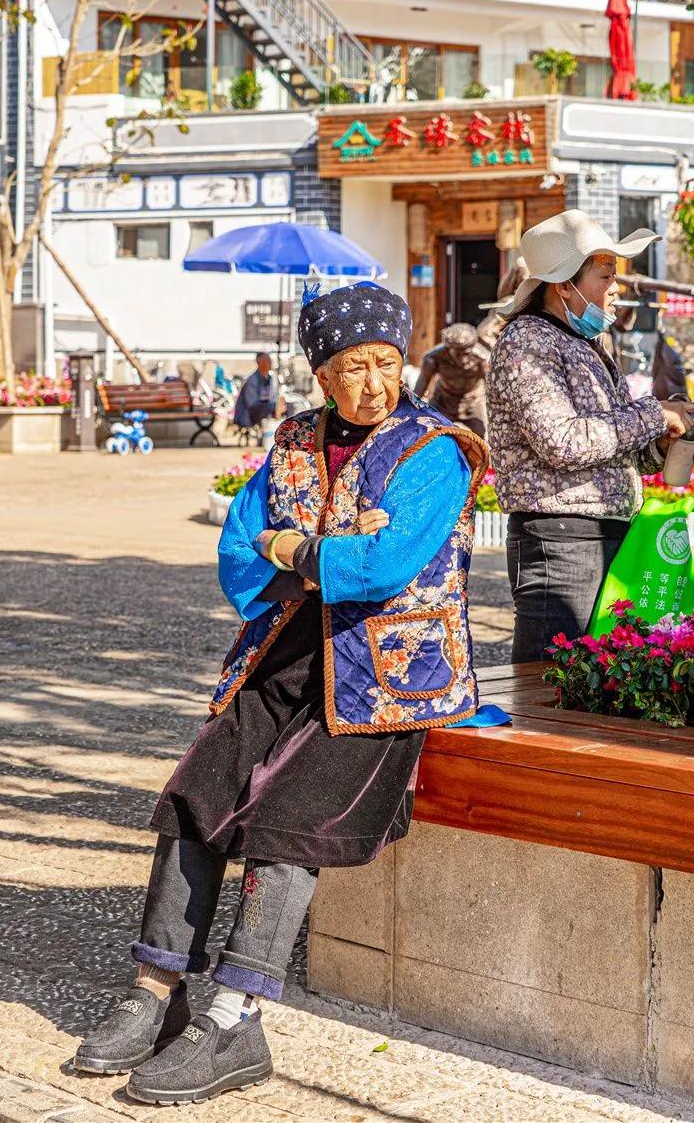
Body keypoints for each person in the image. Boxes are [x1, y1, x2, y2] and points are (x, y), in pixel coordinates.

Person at [75, 282, 487, 1105]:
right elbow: (236, 553)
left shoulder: (435, 450)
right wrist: (316, 552)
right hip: (283, 659)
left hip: (386, 679)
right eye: (353, 368)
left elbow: (383, 569)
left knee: (287, 823)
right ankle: (157, 991)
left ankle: (236, 1020)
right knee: (195, 796)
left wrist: (291, 546)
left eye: (387, 363)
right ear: (322, 375)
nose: (374, 384)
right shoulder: (295, 440)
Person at [486, 210, 694, 664]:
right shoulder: (527, 342)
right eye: (605, 275)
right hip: (561, 544)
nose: (616, 287)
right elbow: (563, 442)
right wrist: (653, 414)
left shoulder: (586, 343)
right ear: (564, 285)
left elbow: (614, 445)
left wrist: (661, 441)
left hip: (606, 535)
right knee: (548, 685)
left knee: (593, 684)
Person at [414, 322, 489, 437]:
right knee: (427, 433)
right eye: (458, 354)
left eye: (466, 353)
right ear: (447, 348)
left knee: (484, 435)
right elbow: (419, 390)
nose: (463, 360)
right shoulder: (433, 358)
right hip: (443, 401)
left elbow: (494, 390)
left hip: (474, 401)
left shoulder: (483, 359)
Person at [232, 352, 279, 432]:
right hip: (246, 416)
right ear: (260, 363)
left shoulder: (269, 378)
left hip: (259, 412)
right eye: (267, 361)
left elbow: (271, 397)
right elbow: (252, 404)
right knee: (274, 406)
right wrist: (272, 406)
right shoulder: (252, 379)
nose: (270, 363)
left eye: (270, 360)